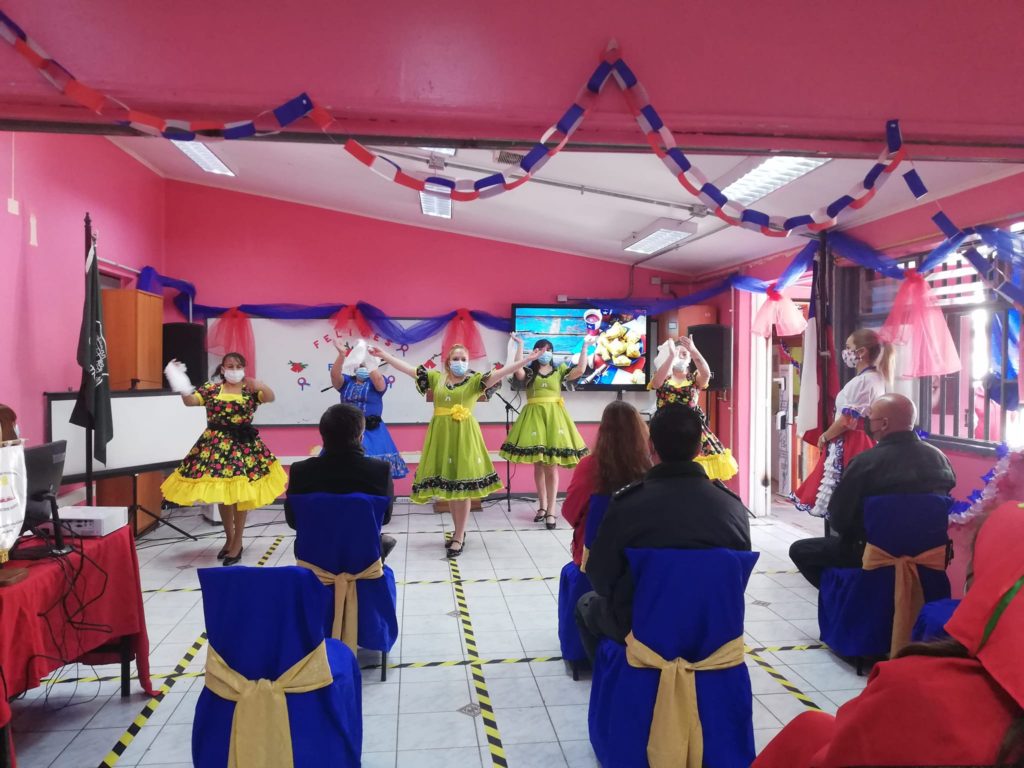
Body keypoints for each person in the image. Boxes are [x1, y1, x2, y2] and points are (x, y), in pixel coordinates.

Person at [754, 500, 1024, 768]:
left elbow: (839, 517)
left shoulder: (922, 689)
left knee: (808, 729)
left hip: (873, 565)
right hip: (921, 569)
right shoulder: (940, 478)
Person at [575, 404, 752, 663]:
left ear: (651, 446)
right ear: (699, 449)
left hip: (640, 628)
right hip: (713, 628)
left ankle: (616, 679)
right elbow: (738, 578)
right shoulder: (732, 506)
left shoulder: (627, 504)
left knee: (585, 604)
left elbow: (601, 580)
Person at [371, 340, 542, 557]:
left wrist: (526, 360)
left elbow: (501, 373)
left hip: (464, 438)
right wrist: (385, 355)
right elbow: (408, 369)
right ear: (448, 362)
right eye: (456, 359)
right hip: (441, 437)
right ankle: (457, 531)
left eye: (463, 359)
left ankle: (459, 535)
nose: (460, 362)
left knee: (462, 489)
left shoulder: (474, 382)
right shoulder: (436, 378)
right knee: (451, 489)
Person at [790, 393, 956, 587]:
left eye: (869, 416)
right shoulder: (940, 459)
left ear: (884, 424)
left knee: (800, 550)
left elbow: (839, 520)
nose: (865, 421)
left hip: (871, 553)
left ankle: (850, 592)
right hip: (926, 553)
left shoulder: (865, 463)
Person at [161, 352, 286, 566]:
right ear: (222, 369)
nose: (234, 370)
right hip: (216, 447)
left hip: (243, 447)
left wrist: (261, 385)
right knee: (224, 495)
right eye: (230, 366)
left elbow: (270, 397)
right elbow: (190, 401)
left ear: (243, 369)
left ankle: (238, 542)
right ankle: (229, 539)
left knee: (239, 495)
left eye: (238, 366)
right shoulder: (211, 389)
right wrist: (180, 383)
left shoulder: (250, 390)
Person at [793, 327, 892, 518]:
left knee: (844, 495)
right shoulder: (874, 378)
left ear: (861, 352)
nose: (845, 351)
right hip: (859, 439)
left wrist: (825, 436)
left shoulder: (864, 381)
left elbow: (847, 420)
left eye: (848, 347)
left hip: (853, 442)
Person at [500, 336, 591, 529]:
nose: (545, 352)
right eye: (541, 349)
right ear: (535, 352)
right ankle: (541, 507)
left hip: (554, 419)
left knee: (551, 465)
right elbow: (517, 371)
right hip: (534, 419)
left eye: (548, 349)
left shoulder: (560, 370)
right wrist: (521, 346)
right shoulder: (529, 371)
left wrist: (585, 347)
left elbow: (580, 370)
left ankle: (551, 510)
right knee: (539, 464)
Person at [285, 404, 397, 559]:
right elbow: (384, 518)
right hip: (362, 559)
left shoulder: (300, 471)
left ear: (323, 436)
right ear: (361, 437)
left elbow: (293, 521)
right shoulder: (380, 471)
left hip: (314, 558)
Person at [560, 400, 651, 566]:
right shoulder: (649, 465)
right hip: (639, 556)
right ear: (640, 430)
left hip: (594, 558)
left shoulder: (588, 465)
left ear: (603, 430)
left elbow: (570, 512)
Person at [649, 335, 738, 481]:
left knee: (694, 473)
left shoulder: (694, 379)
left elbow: (706, 374)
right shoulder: (663, 376)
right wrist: (671, 356)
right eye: (677, 353)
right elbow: (657, 383)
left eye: (684, 354)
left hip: (690, 429)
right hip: (665, 428)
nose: (680, 357)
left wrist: (694, 350)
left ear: (690, 358)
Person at [330, 339, 408, 479]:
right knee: (343, 471)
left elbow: (378, 381)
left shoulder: (376, 382)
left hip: (372, 430)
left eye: (365, 365)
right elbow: (334, 375)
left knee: (373, 470)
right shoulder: (346, 382)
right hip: (346, 431)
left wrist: (368, 359)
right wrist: (342, 355)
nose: (362, 368)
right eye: (360, 365)